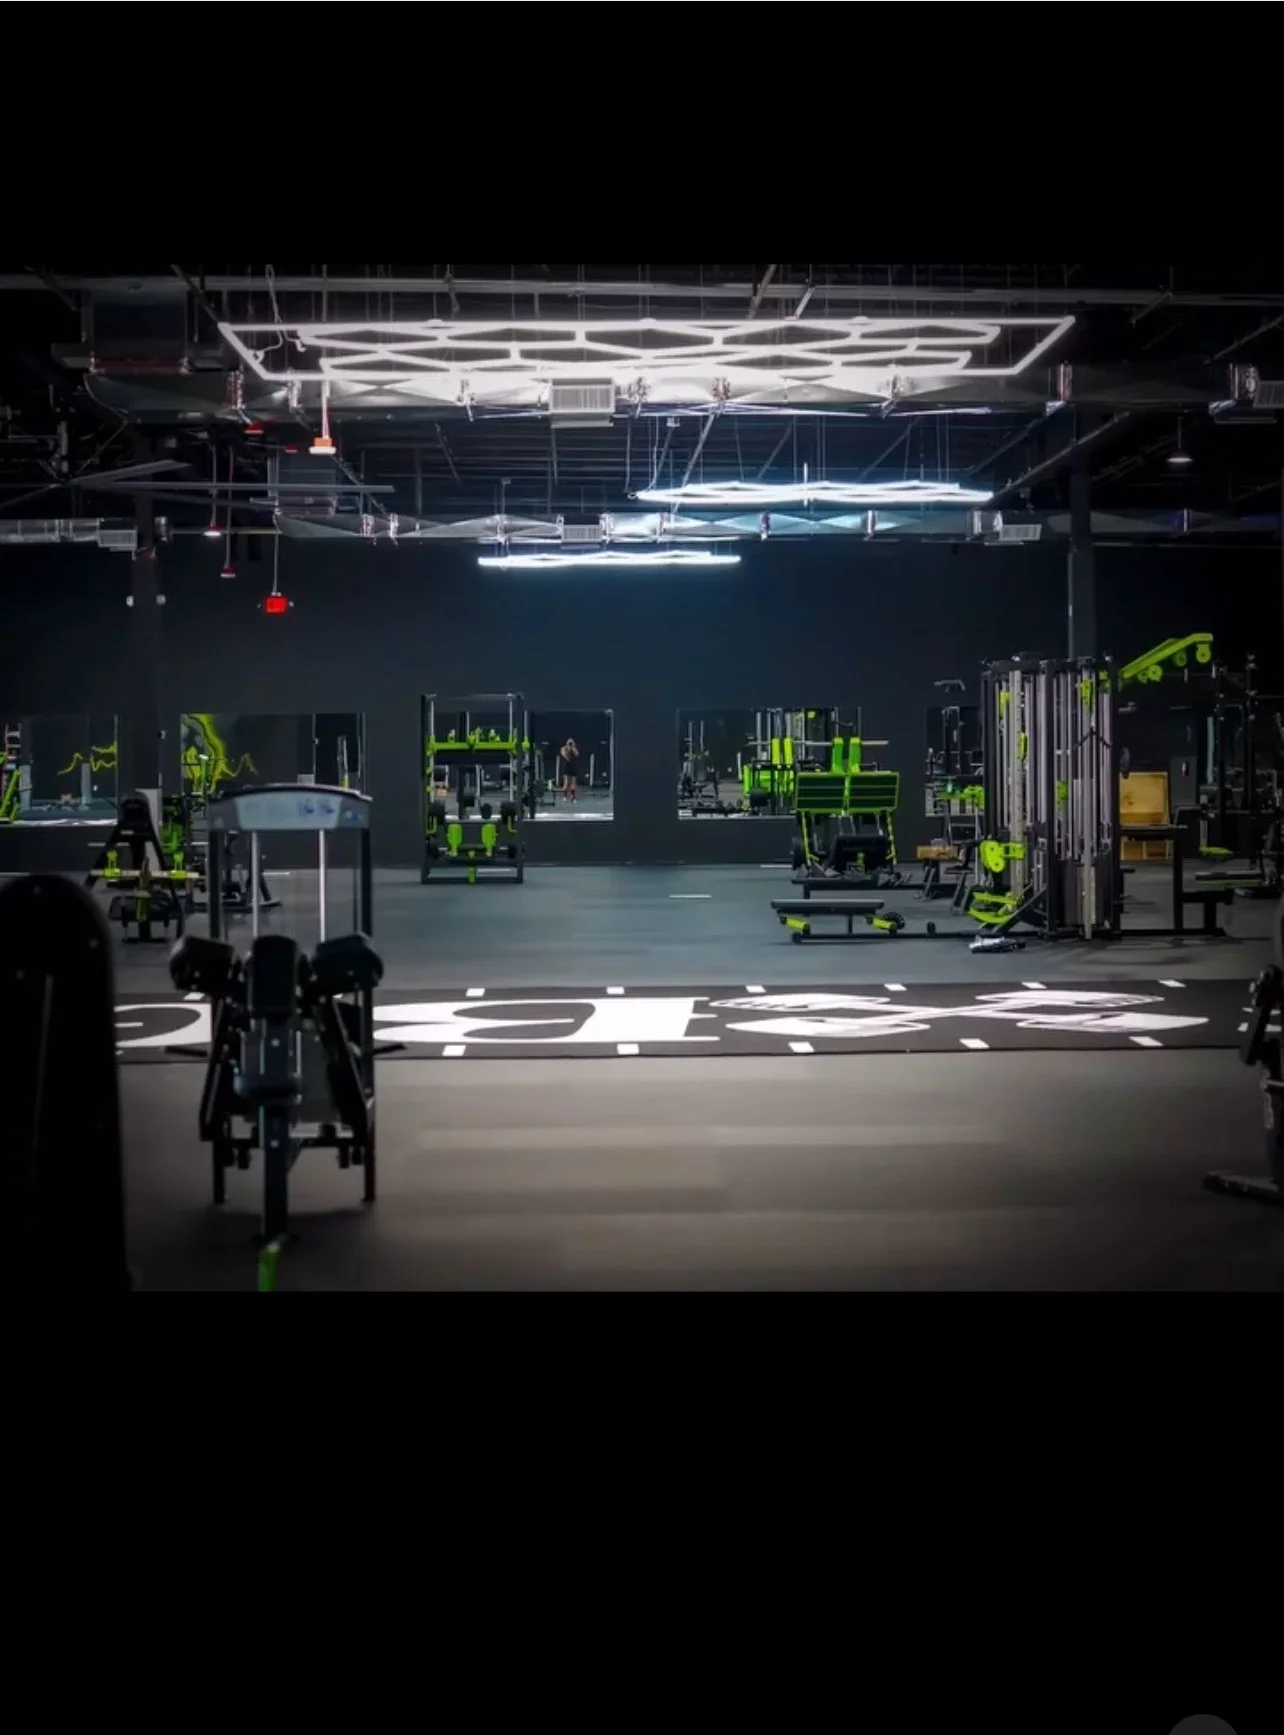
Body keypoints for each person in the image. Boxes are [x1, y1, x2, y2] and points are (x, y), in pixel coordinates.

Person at [558, 738, 580, 803]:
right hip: (567, 766)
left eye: (571, 742)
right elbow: (566, 757)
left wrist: (573, 747)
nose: (570, 743)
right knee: (566, 782)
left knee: (573, 783)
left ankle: (573, 797)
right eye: (569, 742)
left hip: (573, 766)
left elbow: (577, 754)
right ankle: (565, 797)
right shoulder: (563, 748)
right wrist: (568, 749)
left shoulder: (574, 748)